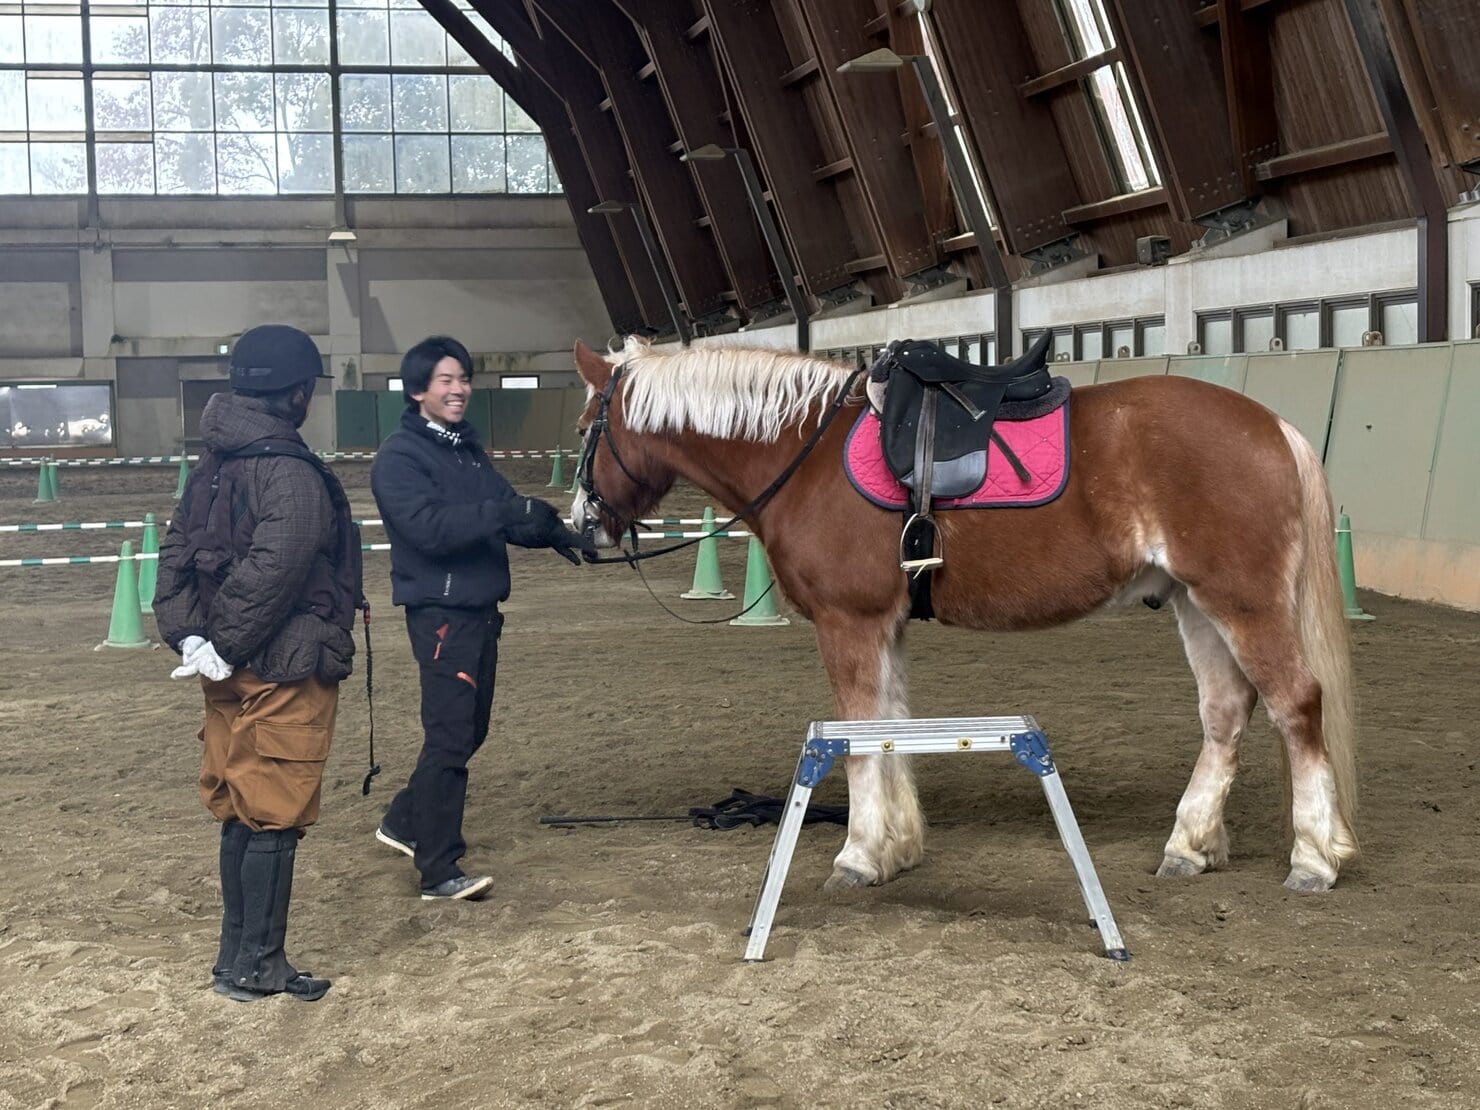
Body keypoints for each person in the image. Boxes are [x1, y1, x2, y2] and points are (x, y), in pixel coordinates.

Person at [154, 323, 360, 1003]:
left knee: (242, 807)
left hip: (224, 668)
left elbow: (175, 556)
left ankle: (234, 960)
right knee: (273, 806)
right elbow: (280, 565)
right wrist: (224, 640)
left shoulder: (214, 465)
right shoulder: (292, 472)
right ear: (297, 393)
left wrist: (191, 637)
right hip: (282, 663)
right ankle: (257, 965)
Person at [370, 335, 591, 901]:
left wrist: (560, 534)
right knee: (448, 737)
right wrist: (501, 512)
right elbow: (428, 529)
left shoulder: (466, 450)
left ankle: (403, 820)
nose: (459, 389)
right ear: (419, 389)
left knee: (470, 729)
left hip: (479, 611)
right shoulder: (400, 457)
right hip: (441, 613)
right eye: (446, 380)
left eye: (463, 378)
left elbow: (508, 515)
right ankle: (439, 869)